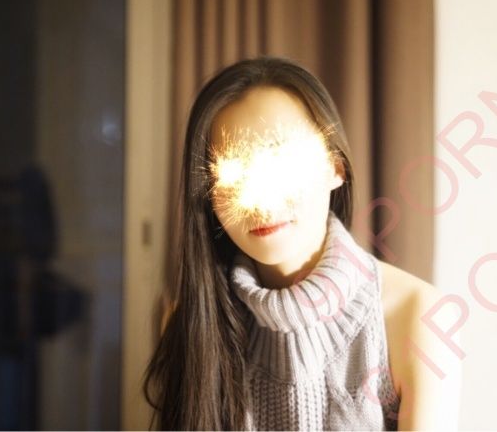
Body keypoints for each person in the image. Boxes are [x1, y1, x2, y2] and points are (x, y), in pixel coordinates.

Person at [143, 56, 462, 431]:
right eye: (233, 172)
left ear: (335, 165)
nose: (262, 200)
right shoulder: (190, 323)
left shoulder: (418, 317)